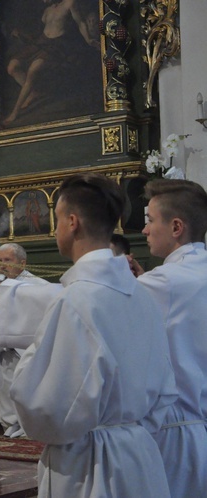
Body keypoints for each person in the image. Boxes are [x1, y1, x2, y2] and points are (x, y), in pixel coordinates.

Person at [0, 173, 176, 497]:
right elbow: (165, 389)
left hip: (91, 468)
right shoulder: (141, 296)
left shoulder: (77, 300)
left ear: (72, 222)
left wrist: (28, 367)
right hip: (141, 456)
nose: (55, 230)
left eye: (57, 220)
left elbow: (47, 409)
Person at [126, 179, 207, 498]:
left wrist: (0, 283)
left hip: (174, 438)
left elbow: (89, 305)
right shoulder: (187, 276)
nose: (145, 230)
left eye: (150, 220)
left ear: (176, 227)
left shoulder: (168, 282)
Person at [0, 243, 48, 438]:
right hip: (5, 348)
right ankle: (9, 425)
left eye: (8, 260)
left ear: (22, 263)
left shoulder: (38, 286)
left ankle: (25, 426)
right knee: (6, 386)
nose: (2, 265)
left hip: (26, 349)